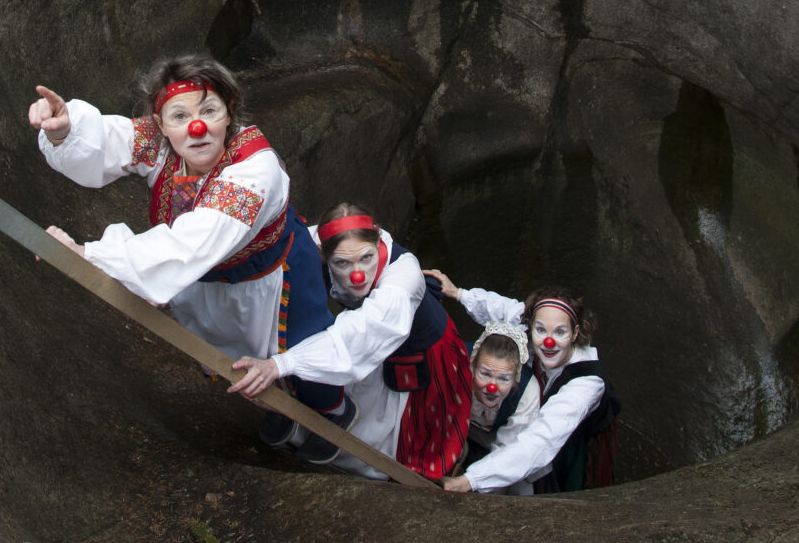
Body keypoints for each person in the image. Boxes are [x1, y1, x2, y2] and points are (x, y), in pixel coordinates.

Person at [31, 54, 355, 447]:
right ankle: (281, 408)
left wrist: (91, 257)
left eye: (209, 111)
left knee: (300, 347)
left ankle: (331, 415)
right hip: (210, 282)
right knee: (241, 358)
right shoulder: (159, 142)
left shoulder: (255, 170)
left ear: (229, 111)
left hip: (274, 279)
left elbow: (192, 241)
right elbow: (111, 139)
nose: (196, 126)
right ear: (160, 124)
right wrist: (66, 131)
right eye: (180, 116)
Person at [229, 204, 474, 477]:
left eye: (366, 258)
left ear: (378, 240)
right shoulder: (315, 242)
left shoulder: (403, 277)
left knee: (405, 434)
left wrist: (280, 365)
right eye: (342, 264)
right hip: (361, 343)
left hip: (417, 351)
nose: (358, 275)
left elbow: (366, 329)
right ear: (323, 253)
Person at [425, 274, 619, 494]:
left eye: (560, 332)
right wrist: (459, 294)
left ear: (575, 333)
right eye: (540, 330)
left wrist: (472, 480)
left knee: (563, 485)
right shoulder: (534, 324)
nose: (548, 341)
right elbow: (503, 308)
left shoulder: (586, 384)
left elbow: (541, 441)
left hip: (573, 438)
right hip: (532, 420)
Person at [461, 323, 542, 493]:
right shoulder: (457, 363)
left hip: (501, 447)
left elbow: (508, 453)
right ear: (473, 366)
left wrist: (471, 482)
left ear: (515, 378)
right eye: (485, 374)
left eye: (504, 379)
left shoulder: (528, 391)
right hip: (458, 435)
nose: (492, 387)